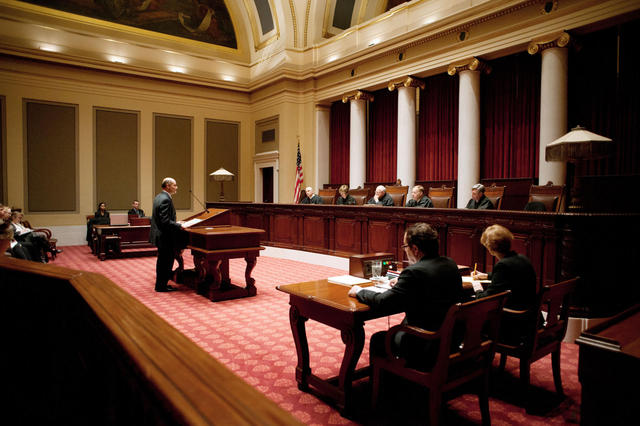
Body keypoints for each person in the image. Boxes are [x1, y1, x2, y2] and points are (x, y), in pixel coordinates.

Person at [348, 223, 463, 368]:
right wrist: (403, 281)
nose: (405, 251)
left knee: (379, 339)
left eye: (405, 246)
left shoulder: (414, 272)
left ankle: (383, 387)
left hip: (426, 341)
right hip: (452, 337)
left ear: (415, 249)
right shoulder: (450, 263)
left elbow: (383, 301)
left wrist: (359, 291)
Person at [471, 224, 537, 342]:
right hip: (530, 318)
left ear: (490, 249)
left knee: (470, 314)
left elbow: (487, 298)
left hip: (512, 323)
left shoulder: (503, 266)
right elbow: (512, 274)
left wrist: (477, 289)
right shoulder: (522, 258)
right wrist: (486, 276)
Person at [150, 177, 189, 292]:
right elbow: (165, 221)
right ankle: (161, 286)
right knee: (166, 262)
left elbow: (163, 219)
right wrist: (179, 225)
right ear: (167, 185)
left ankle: (160, 284)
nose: (176, 187)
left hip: (161, 235)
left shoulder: (159, 196)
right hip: (165, 237)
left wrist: (176, 223)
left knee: (162, 261)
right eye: (174, 185)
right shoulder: (165, 199)